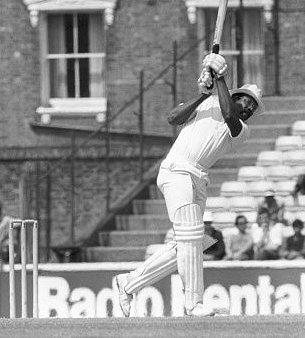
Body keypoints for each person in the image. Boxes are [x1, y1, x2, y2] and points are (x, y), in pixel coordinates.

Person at [114, 52, 265, 317]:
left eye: (254, 107)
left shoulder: (241, 127)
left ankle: (129, 282)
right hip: (176, 171)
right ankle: (193, 304)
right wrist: (204, 94)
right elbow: (174, 118)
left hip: (199, 178)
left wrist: (219, 78)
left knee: (192, 242)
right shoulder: (209, 104)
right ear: (237, 96)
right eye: (248, 101)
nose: (250, 109)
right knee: (191, 237)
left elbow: (229, 114)